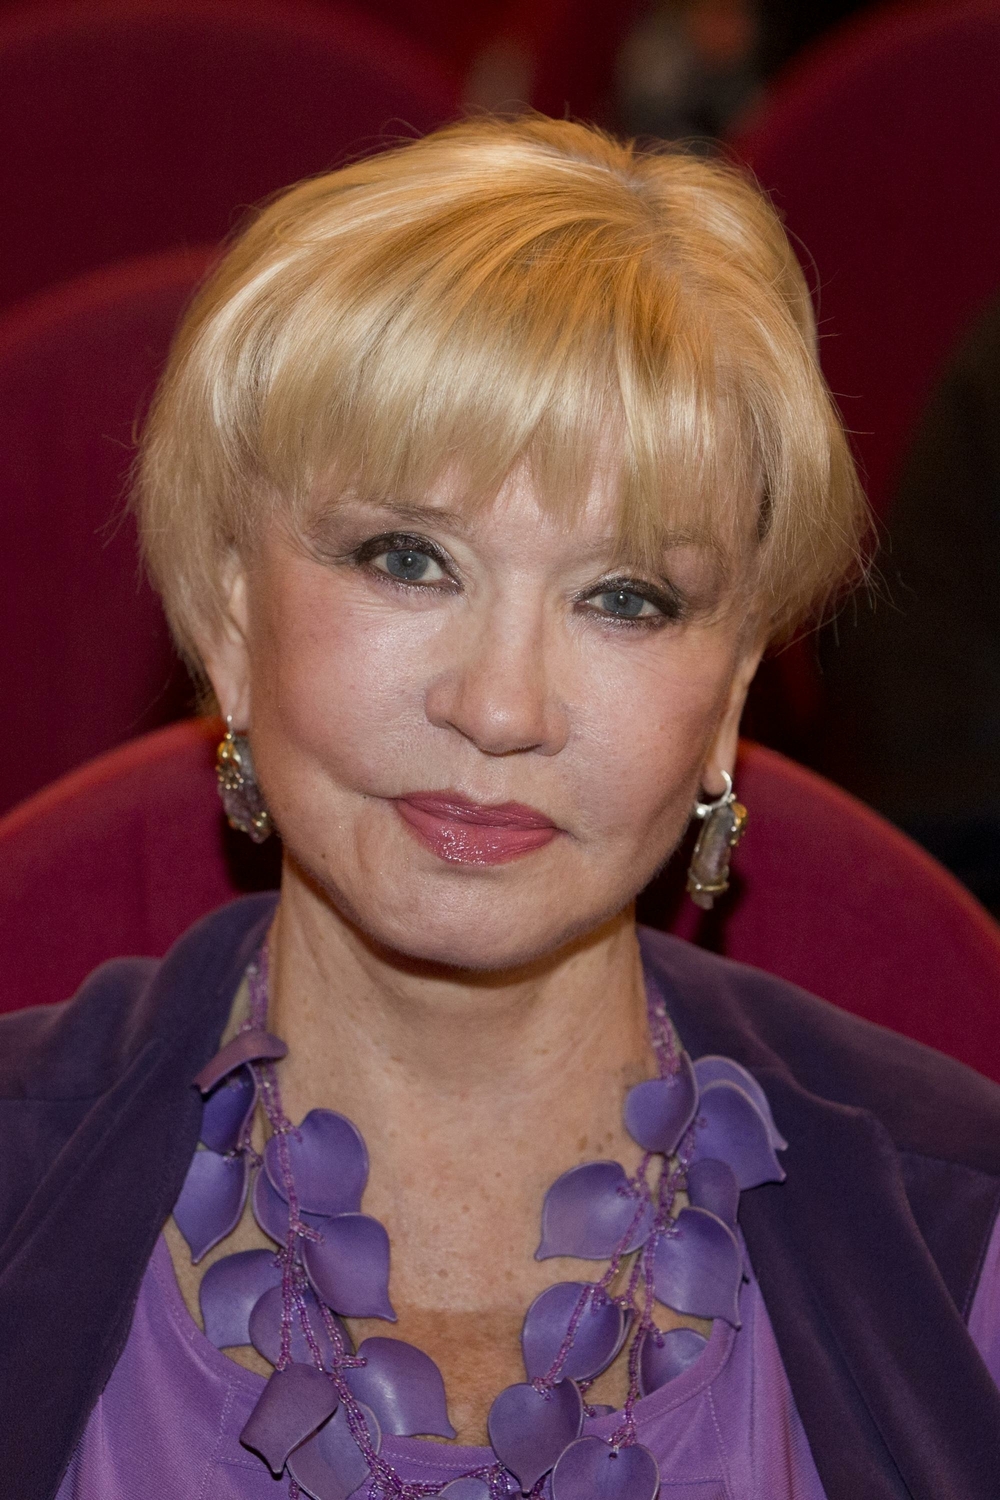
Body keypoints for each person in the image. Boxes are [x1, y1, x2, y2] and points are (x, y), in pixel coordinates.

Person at [2, 115, 999, 1500]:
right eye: (408, 559)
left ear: (729, 697)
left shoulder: (963, 1238)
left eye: (625, 597)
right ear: (229, 616)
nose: (501, 705)